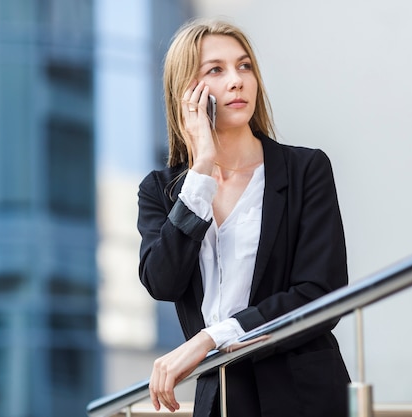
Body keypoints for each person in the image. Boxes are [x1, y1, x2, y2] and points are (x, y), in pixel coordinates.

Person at [136, 19, 350, 417]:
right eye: (215, 70)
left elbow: (320, 292)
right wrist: (201, 169)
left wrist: (207, 339)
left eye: (245, 65)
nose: (237, 80)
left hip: (304, 395)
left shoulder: (306, 170)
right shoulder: (161, 191)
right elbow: (162, 281)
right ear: (186, 92)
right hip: (222, 398)